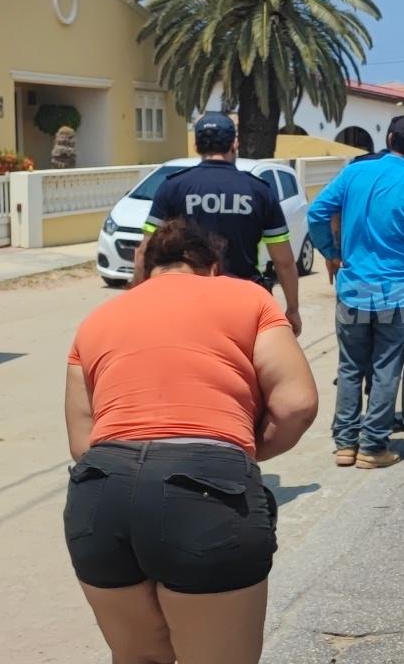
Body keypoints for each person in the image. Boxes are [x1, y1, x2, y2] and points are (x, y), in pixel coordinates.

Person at [63, 217, 318, 664]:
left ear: (146, 270)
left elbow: (82, 441)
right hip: (206, 492)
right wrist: (238, 450)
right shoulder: (248, 298)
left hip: (100, 493)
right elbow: (296, 403)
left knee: (138, 657)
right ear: (212, 267)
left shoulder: (96, 320)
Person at [308, 115, 404, 469]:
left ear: (390, 138)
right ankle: (373, 447)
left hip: (352, 289)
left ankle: (345, 445)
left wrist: (331, 253)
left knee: (350, 367)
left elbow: (317, 213)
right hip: (396, 294)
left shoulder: (354, 173)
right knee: (385, 369)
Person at [133, 112, 302, 335]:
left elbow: (143, 253)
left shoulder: (172, 188)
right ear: (234, 144)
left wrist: (136, 301)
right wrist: (292, 308)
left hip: (187, 304)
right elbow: (284, 261)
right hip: (244, 303)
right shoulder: (259, 191)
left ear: (196, 146)